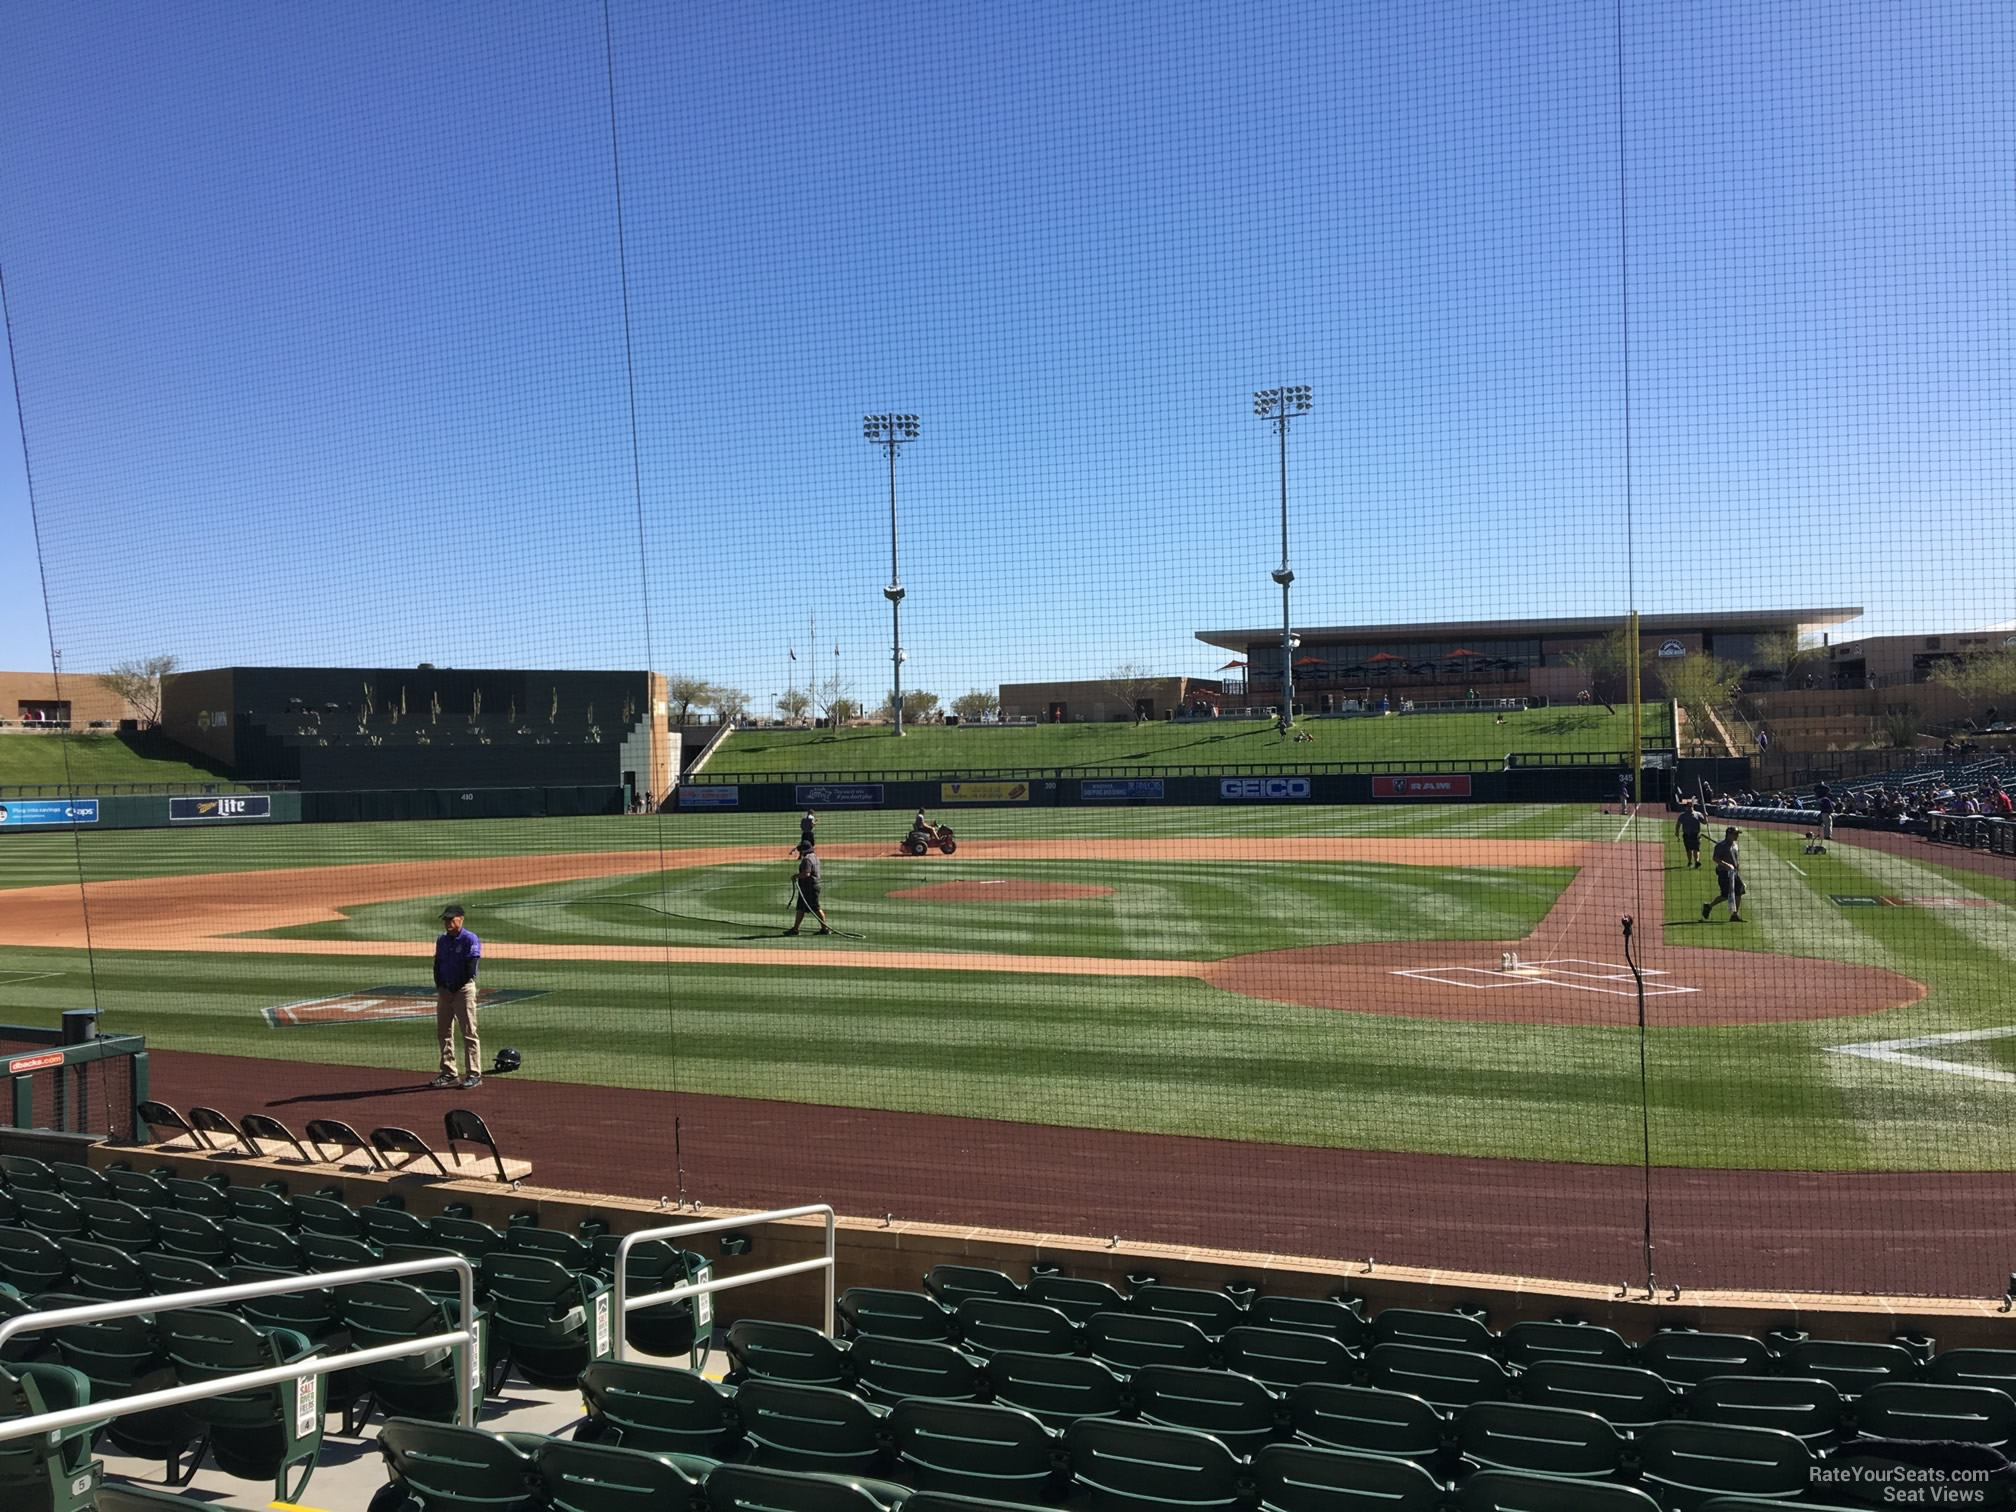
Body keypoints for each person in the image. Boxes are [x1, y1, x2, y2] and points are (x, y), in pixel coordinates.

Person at [432, 904, 484, 1088]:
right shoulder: (442, 940)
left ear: (461, 919)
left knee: (469, 1032)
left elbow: (470, 968)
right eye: (445, 919)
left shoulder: (470, 939)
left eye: (451, 919)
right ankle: (449, 1072)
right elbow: (437, 966)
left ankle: (474, 1073)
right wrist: (441, 987)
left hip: (463, 990)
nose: (447, 922)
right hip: (445, 991)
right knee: (444, 1032)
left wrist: (452, 988)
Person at [785, 840, 830, 935]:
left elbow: (806, 874)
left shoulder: (807, 859)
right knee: (801, 908)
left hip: (809, 888)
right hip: (812, 886)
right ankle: (795, 929)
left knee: (815, 908)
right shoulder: (815, 858)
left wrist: (796, 876)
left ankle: (825, 928)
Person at [1701, 827, 1745, 923]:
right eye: (1735, 834)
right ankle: (1708, 906)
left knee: (1739, 891)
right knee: (1725, 895)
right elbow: (1715, 858)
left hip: (1734, 873)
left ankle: (1734, 915)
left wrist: (1737, 868)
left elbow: (1735, 860)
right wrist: (1726, 865)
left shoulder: (1734, 845)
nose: (1737, 836)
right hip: (1724, 873)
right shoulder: (1721, 846)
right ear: (1729, 834)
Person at [1675, 799, 1705, 868]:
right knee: (1688, 849)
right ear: (1686, 807)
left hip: (1696, 834)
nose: (1689, 808)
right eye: (1688, 807)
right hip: (1687, 834)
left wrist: (1706, 817)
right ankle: (1689, 861)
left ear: (1693, 806)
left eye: (1691, 806)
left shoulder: (1698, 814)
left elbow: (1704, 822)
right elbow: (1678, 824)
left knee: (1696, 849)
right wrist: (1677, 832)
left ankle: (1697, 861)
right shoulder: (1683, 815)